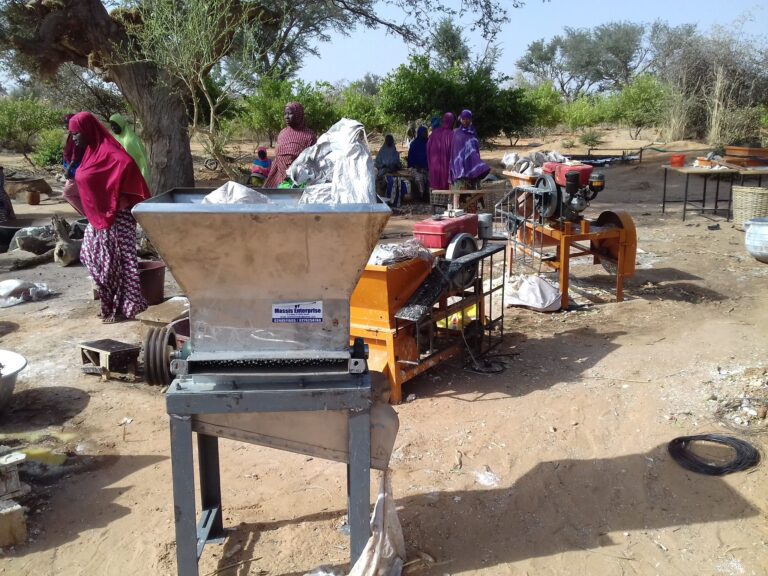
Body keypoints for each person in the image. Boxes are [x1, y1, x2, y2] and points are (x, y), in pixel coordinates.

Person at [68, 112, 151, 323]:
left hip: (117, 218)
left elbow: (127, 166)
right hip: (98, 219)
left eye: (76, 133)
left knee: (120, 264)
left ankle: (127, 307)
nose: (74, 138)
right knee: (91, 257)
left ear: (88, 131)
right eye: (72, 134)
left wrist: (119, 198)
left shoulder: (112, 153)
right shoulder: (89, 153)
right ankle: (112, 303)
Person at [264, 102, 316, 188]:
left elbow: (312, 162)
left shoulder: (309, 136)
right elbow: (278, 158)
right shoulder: (282, 133)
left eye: (290, 113)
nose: (286, 117)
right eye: (285, 114)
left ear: (298, 115)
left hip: (298, 182)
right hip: (278, 178)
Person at [450, 109, 490, 212]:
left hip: (472, 167)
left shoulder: (473, 133)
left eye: (468, 119)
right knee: (459, 192)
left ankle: (472, 215)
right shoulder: (456, 133)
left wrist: (478, 165)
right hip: (459, 168)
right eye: (464, 119)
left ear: (471, 119)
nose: (466, 121)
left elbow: (475, 150)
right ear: (461, 119)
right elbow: (454, 152)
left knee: (473, 193)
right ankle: (456, 211)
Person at [109, 113, 149, 182]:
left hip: (135, 176)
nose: (113, 128)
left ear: (121, 123)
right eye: (111, 125)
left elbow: (143, 159)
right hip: (123, 176)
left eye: (115, 125)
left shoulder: (132, 139)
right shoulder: (115, 139)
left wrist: (144, 177)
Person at [62, 113, 86, 216]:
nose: (66, 125)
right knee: (78, 194)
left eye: (67, 123)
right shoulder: (72, 134)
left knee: (67, 194)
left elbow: (76, 155)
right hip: (72, 168)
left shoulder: (76, 136)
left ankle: (87, 215)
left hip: (75, 169)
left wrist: (69, 169)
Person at [427, 112, 455, 193]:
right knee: (446, 185)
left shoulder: (434, 134)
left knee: (435, 187)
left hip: (434, 169)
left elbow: (427, 150)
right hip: (446, 169)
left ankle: (435, 203)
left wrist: (430, 165)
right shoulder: (452, 134)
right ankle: (447, 202)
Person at [374, 134, 404, 204]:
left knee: (398, 181)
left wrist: (396, 165)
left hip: (393, 171)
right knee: (388, 181)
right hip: (383, 172)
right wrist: (383, 166)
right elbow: (377, 163)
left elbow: (397, 163)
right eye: (388, 140)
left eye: (390, 140)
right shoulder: (382, 152)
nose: (389, 141)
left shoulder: (394, 151)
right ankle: (389, 199)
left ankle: (395, 199)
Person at [407, 125, 429, 202]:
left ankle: (428, 195)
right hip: (415, 168)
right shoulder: (414, 144)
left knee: (431, 177)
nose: (426, 134)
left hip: (427, 168)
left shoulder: (429, 142)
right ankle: (420, 196)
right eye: (424, 132)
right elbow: (410, 158)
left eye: (426, 132)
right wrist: (416, 166)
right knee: (419, 178)